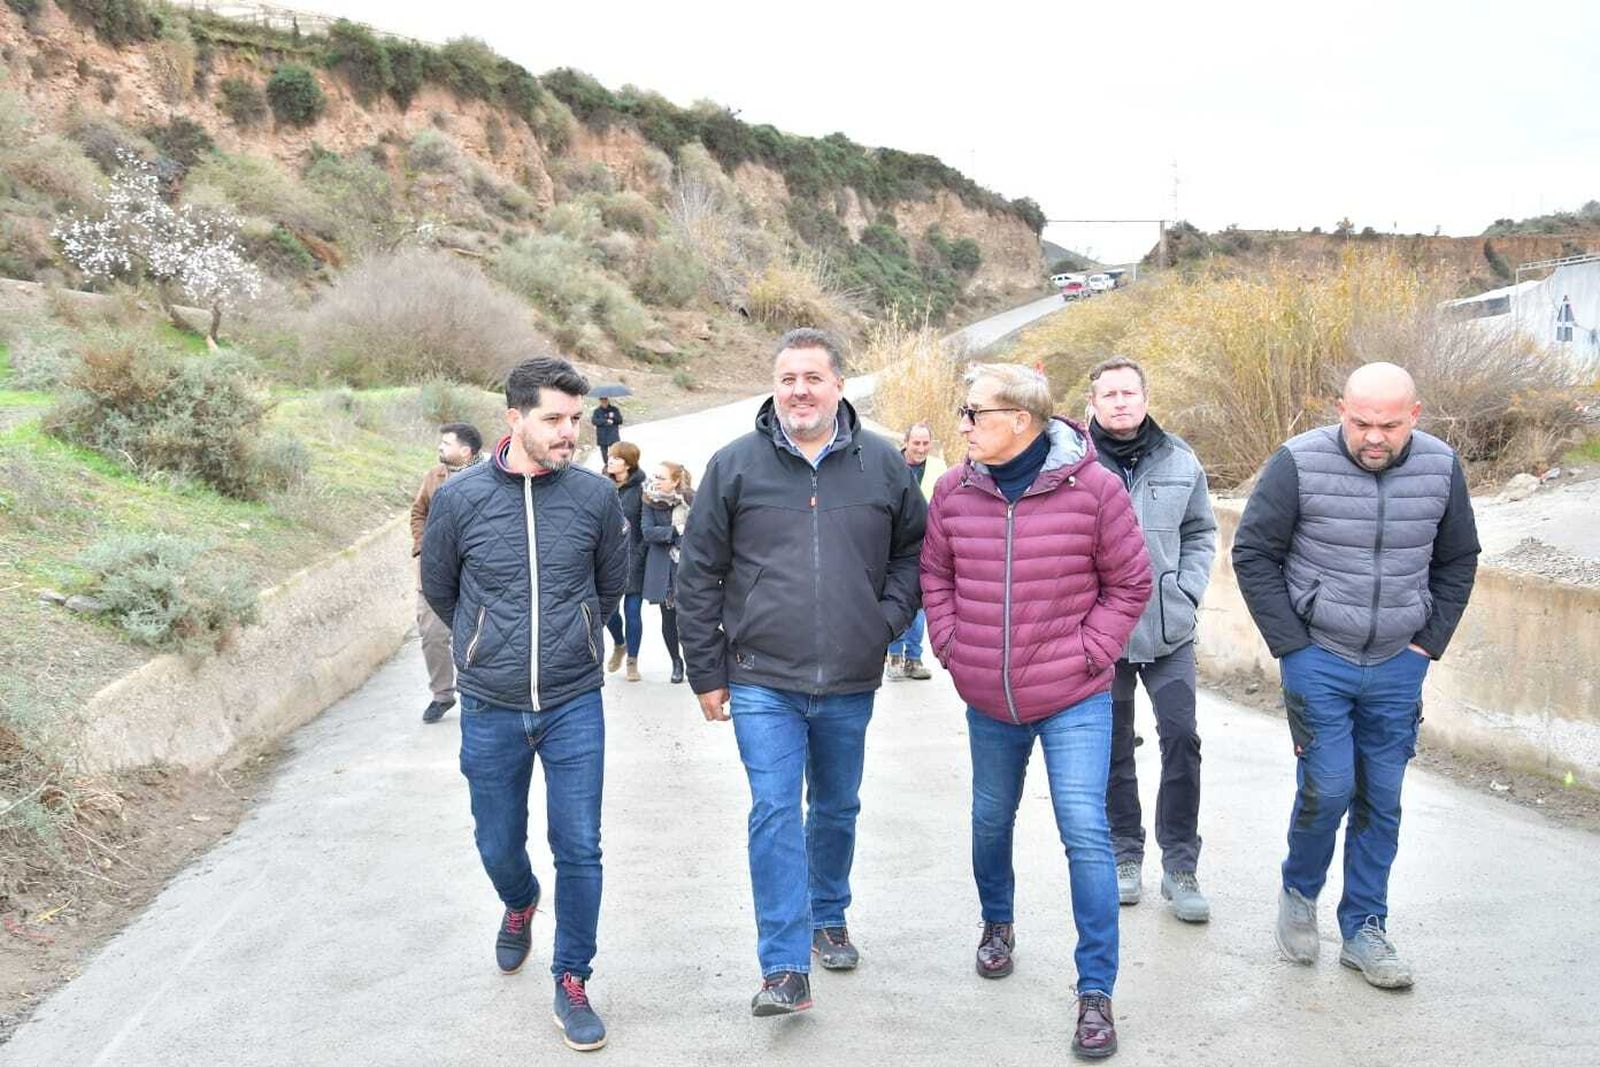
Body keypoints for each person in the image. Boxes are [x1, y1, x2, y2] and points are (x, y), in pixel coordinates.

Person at [676, 327, 927, 1017]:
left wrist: (885, 620)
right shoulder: (733, 465)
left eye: (813, 377)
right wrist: (706, 670)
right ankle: (784, 967)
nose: (799, 391)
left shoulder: (881, 464)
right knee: (776, 811)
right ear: (774, 386)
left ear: (839, 384)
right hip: (762, 677)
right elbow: (697, 573)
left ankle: (828, 912)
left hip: (850, 673)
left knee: (838, 806)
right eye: (787, 378)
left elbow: (916, 553)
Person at [921, 362, 1150, 1060]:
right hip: (988, 696)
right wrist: (954, 644)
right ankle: (998, 923)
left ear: (1020, 419)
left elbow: (1130, 581)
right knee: (991, 818)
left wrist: (1090, 652)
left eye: (972, 412)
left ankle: (1096, 992)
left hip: (1074, 696)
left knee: (1084, 830)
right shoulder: (952, 490)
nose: (961, 425)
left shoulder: (1096, 489)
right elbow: (936, 573)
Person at [1233, 361, 1479, 990]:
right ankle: (1299, 891)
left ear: (1414, 417)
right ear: (1341, 409)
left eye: (1389, 425)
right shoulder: (1297, 463)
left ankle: (1365, 927)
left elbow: (1457, 560)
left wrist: (1427, 644)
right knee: (1329, 788)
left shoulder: (1441, 467)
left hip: (1400, 663)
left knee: (1382, 800)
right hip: (1321, 658)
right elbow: (1254, 553)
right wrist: (1292, 645)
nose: (1374, 437)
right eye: (1361, 422)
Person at [421, 356, 628, 1052]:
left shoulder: (595, 498)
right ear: (515, 419)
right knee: (496, 840)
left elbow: (610, 586)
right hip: (490, 703)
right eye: (555, 419)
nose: (570, 431)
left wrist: (572, 640)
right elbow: (441, 589)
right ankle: (518, 901)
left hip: (574, 701)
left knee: (581, 846)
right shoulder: (459, 499)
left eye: (575, 418)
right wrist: (485, 647)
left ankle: (572, 976)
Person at [1086, 358, 1218, 922]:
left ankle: (1181, 864)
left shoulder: (1179, 459)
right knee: (1114, 745)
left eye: (1128, 392)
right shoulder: (1074, 463)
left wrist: (1185, 590)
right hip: (1101, 631)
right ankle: (1124, 853)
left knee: (1182, 738)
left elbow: (1201, 531)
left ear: (1144, 397)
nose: (1120, 402)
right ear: (1092, 403)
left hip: (1169, 630)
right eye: (1109, 394)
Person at [410, 422, 484, 723]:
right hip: (434, 571)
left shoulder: (491, 476)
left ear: (465, 451)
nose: (440, 448)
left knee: (482, 631)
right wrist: (422, 546)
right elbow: (418, 512)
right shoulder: (434, 476)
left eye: (446, 443)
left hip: (476, 571)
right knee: (431, 632)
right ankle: (442, 695)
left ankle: (481, 690)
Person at [884, 422, 946, 682]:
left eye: (925, 443)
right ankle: (894, 656)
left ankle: (914, 658)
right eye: (916, 443)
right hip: (893, 544)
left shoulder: (938, 468)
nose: (920, 448)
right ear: (906, 442)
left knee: (919, 604)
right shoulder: (890, 465)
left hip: (927, 545)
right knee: (896, 596)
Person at [641, 461, 694, 685]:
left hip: (689, 566)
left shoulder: (692, 499)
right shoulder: (649, 501)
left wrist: (678, 535)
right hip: (664, 567)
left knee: (691, 618)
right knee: (669, 618)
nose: (655, 480)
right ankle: (676, 662)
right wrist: (676, 531)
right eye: (655, 476)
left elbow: (699, 530)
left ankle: (694, 662)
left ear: (675, 481)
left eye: (661, 477)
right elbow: (648, 532)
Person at [603, 441, 646, 682]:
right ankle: (619, 644)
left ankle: (633, 660)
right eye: (609, 457)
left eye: (616, 458)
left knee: (632, 611)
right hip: (606, 559)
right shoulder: (601, 485)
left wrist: (638, 555)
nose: (610, 461)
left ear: (628, 463)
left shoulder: (640, 490)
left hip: (633, 559)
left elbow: (643, 526)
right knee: (609, 611)